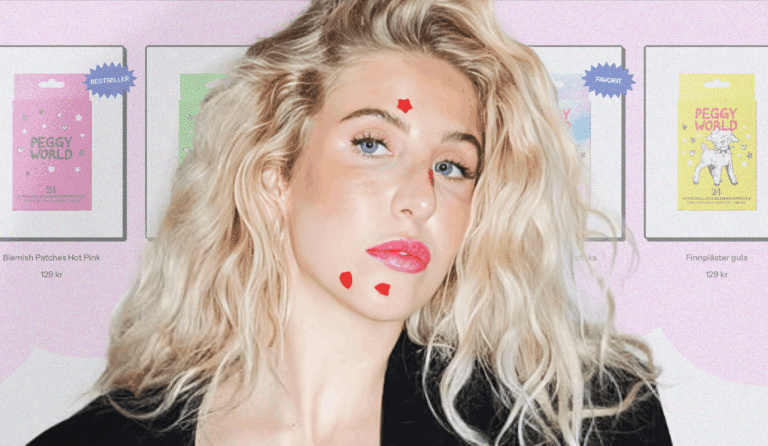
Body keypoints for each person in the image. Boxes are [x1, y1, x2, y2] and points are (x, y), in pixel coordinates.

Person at [29, 0, 672, 445]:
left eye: (452, 166)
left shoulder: (588, 423)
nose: (420, 197)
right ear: (274, 174)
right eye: (372, 144)